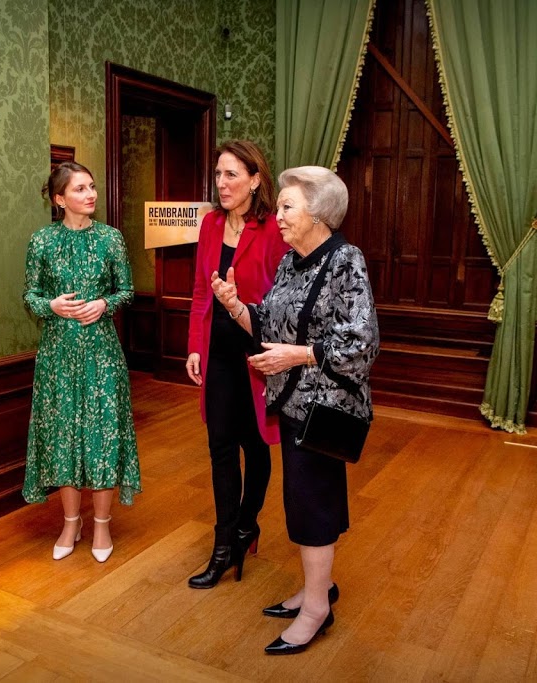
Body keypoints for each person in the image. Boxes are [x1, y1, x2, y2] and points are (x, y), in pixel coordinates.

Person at [211, 166, 379, 654]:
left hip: (325, 410)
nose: (278, 215)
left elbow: (362, 342)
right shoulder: (291, 262)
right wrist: (235, 306)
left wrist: (299, 355)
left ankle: (316, 609)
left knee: (313, 505)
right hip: (293, 404)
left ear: (319, 213)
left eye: (287, 206)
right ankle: (316, 589)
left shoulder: (345, 260)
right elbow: (269, 324)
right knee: (305, 502)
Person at [22, 161, 141, 563]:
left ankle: (102, 525)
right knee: (63, 439)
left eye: (91, 186)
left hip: (102, 355)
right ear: (60, 199)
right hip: (57, 355)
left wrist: (105, 303)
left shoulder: (110, 239)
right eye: (79, 189)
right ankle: (71, 522)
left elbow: (127, 290)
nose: (90, 194)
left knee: (102, 436)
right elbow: (30, 295)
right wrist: (51, 306)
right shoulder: (42, 241)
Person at [185, 140, 290, 589]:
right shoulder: (210, 224)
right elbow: (199, 291)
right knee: (221, 448)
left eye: (231, 174)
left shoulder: (273, 230)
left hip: (257, 354)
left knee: (257, 446)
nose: (222, 183)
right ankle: (224, 544)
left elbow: (283, 300)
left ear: (255, 180)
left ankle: (247, 524)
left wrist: (242, 306)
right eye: (218, 174)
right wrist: (195, 345)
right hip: (218, 355)